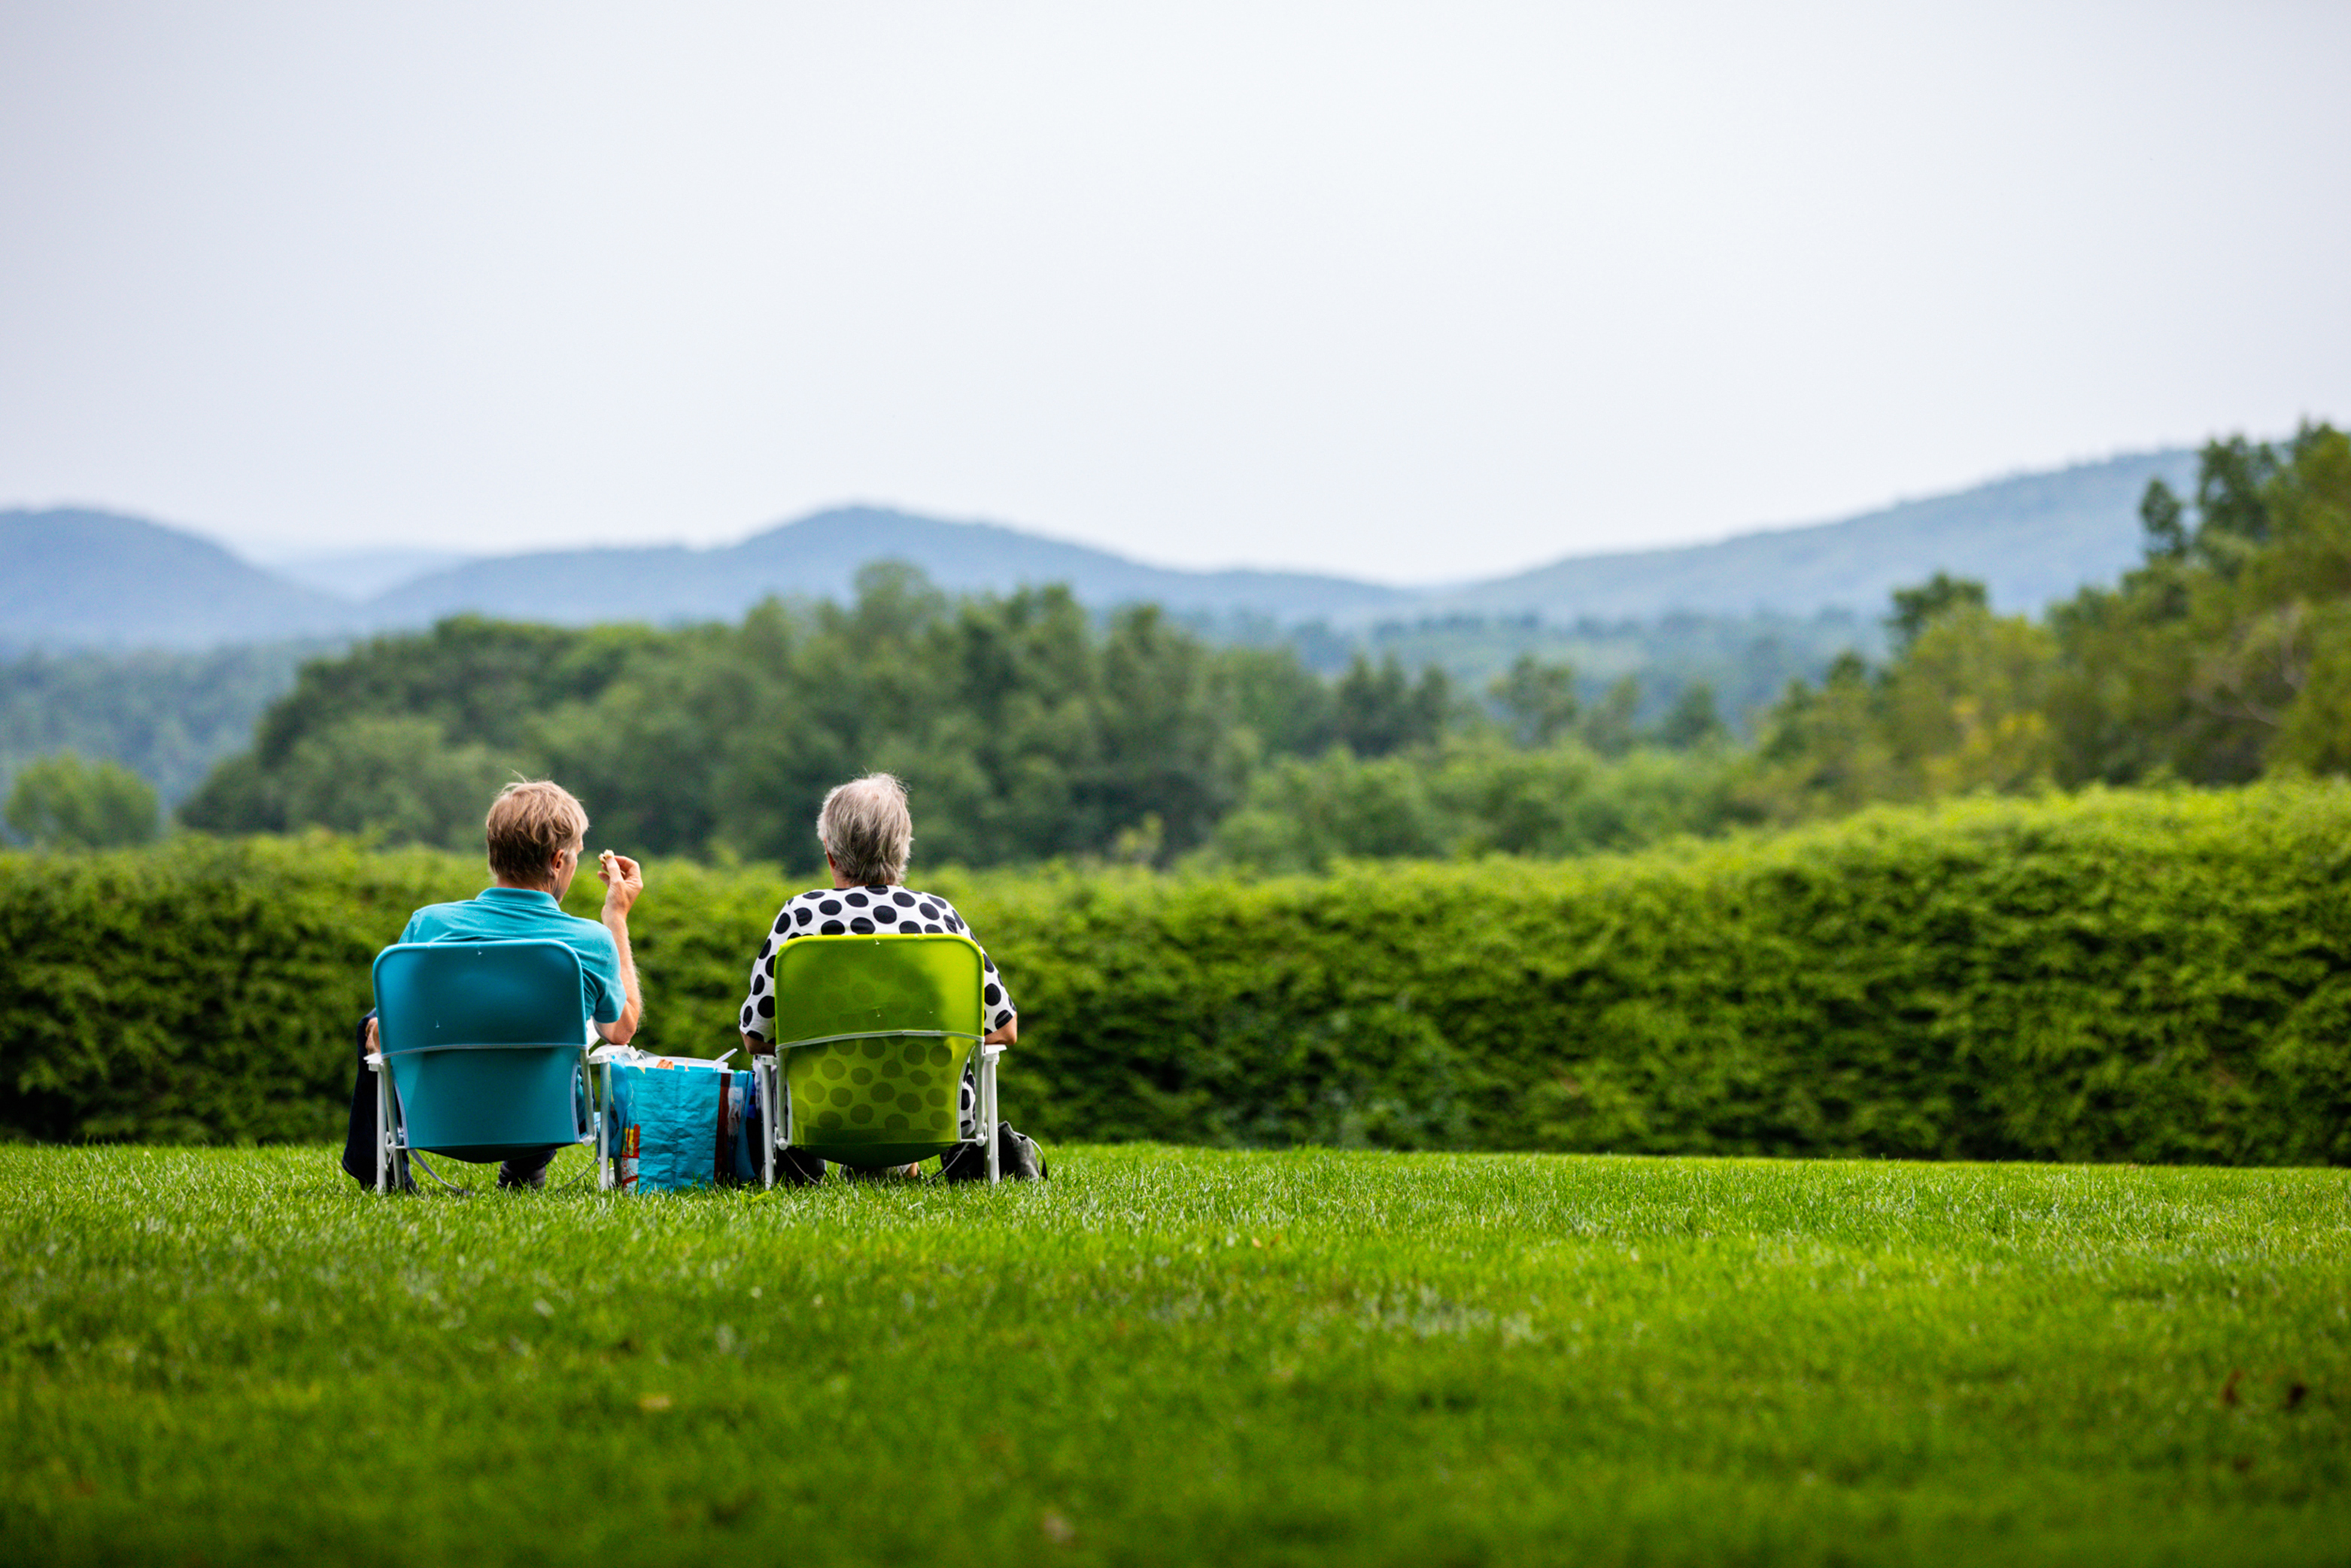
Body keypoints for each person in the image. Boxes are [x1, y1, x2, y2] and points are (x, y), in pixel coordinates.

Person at [339, 779, 645, 1191]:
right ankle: (524, 1168)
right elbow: (620, 1031)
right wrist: (617, 920)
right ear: (558, 861)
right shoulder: (589, 941)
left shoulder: (428, 925)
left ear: (493, 853)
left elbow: (391, 1031)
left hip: (433, 1117)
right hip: (543, 1122)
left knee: (376, 1020)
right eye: (575, 857)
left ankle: (380, 1169)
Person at [737, 773, 1041, 1181]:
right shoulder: (940, 918)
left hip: (821, 1122)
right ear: (904, 849)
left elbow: (755, 1038)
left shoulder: (801, 918)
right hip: (934, 1124)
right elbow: (1005, 1030)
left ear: (830, 853)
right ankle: (908, 1160)